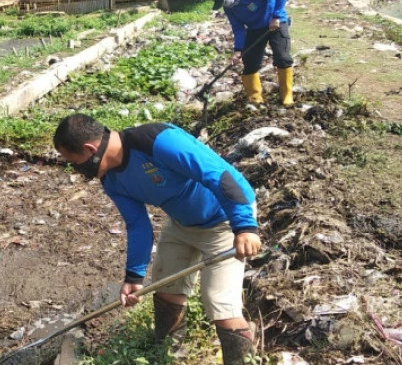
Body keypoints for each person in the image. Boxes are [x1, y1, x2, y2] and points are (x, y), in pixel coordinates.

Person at [53, 114, 262, 365]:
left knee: (220, 303)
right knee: (166, 293)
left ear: (90, 150)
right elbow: (137, 224)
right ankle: (170, 356)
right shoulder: (111, 179)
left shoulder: (158, 141)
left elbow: (218, 175)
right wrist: (133, 277)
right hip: (181, 224)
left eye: (74, 162)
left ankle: (242, 357)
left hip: (225, 220)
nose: (76, 170)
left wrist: (245, 226)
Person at [209, 0, 294, 106]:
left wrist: (276, 16)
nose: (225, 4)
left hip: (275, 23)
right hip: (255, 28)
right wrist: (238, 50)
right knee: (249, 62)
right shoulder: (229, 8)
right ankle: (255, 100)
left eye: (224, 1)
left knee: (282, 57)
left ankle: (286, 96)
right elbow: (238, 28)